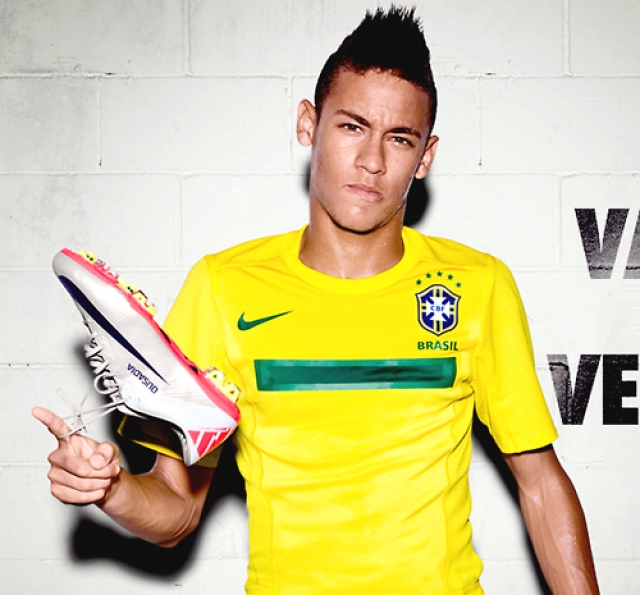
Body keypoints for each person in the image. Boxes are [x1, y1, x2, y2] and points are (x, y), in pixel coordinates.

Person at [33, 7, 600, 594]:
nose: (373, 161)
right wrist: (112, 489)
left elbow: (541, 484)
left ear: (425, 157)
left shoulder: (478, 284)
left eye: (399, 138)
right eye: (352, 127)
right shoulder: (224, 287)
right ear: (309, 124)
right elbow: (176, 509)